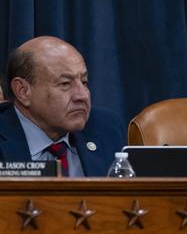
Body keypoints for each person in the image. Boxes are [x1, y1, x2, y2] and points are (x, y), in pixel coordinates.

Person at [0, 36, 123, 176]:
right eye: (65, 84)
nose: (82, 96)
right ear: (23, 91)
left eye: (84, 82)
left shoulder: (106, 128)